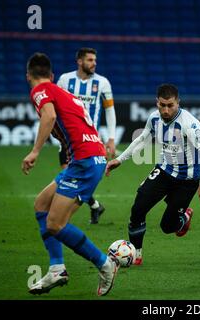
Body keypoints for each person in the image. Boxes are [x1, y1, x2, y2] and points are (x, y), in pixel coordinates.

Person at [22, 52, 119, 296]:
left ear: (28, 76)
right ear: (52, 75)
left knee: (55, 224)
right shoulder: (64, 92)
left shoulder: (40, 90)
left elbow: (50, 116)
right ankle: (57, 268)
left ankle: (105, 264)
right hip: (88, 158)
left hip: (85, 162)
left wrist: (35, 151)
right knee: (41, 205)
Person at [106, 84, 200, 265]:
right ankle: (136, 253)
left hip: (187, 180)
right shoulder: (154, 118)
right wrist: (120, 159)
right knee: (139, 206)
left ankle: (184, 216)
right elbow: (142, 139)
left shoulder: (188, 123)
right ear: (157, 102)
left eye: (170, 105)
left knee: (167, 227)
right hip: (165, 171)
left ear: (178, 102)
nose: (165, 110)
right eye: (162, 105)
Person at [57, 47, 117, 224]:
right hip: (68, 138)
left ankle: (63, 217)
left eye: (95, 60)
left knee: (75, 176)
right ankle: (95, 205)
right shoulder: (64, 80)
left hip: (90, 140)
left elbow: (110, 110)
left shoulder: (103, 82)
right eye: (90, 60)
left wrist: (111, 138)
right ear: (80, 61)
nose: (94, 63)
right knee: (68, 174)